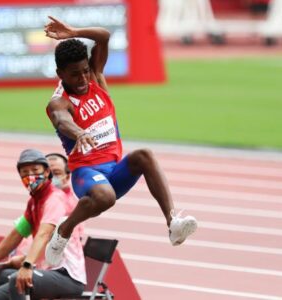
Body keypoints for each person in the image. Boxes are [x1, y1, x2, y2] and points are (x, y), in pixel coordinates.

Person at [44, 16, 198, 266]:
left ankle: (173, 224)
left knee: (144, 155)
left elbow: (103, 35)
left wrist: (73, 32)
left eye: (85, 71)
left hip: (114, 170)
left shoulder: (95, 77)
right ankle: (64, 230)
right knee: (105, 197)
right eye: (74, 75)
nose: (83, 79)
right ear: (60, 74)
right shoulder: (59, 102)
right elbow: (62, 120)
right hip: (86, 174)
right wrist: (79, 133)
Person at [0, 149, 86, 300]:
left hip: (65, 275)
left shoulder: (55, 199)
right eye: (25, 172)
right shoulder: (34, 202)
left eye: (35, 170)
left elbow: (44, 234)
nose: (30, 176)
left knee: (18, 279)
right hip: (42, 270)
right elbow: (17, 234)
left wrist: (27, 265)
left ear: (47, 173)